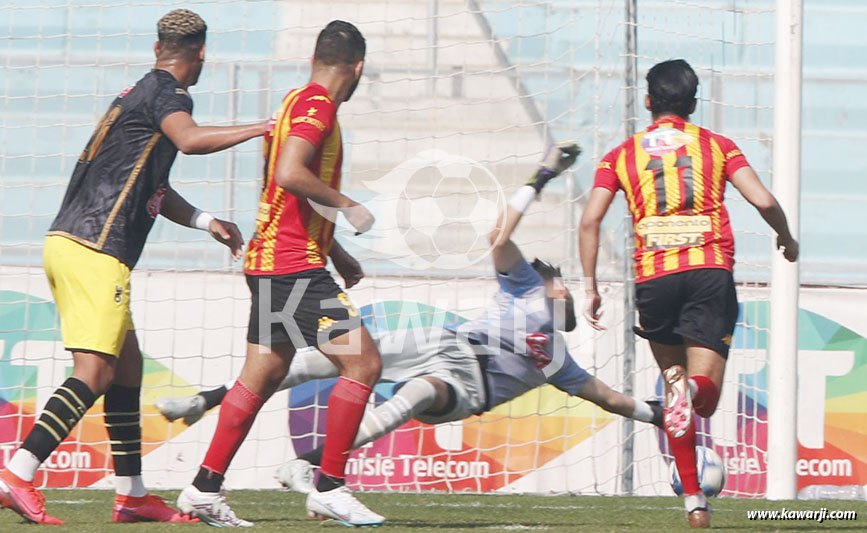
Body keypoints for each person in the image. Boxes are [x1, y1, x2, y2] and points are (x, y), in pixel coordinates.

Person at [158, 141, 664, 501]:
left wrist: (654, 412)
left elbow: (607, 397)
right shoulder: (524, 285)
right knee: (322, 359)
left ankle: (310, 464)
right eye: (559, 282)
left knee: (416, 394)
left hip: (466, 388)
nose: (561, 285)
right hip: (443, 343)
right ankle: (204, 399)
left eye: (565, 289)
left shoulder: (558, 360)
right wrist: (542, 176)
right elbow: (498, 233)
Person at [0, 9, 267, 526]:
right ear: (201, 53)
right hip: (97, 249)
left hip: (70, 242)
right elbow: (190, 139)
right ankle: (17, 474)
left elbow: (151, 187)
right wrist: (263, 127)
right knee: (94, 372)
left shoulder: (135, 94)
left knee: (128, 368)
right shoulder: (170, 96)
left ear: (157, 46)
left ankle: (132, 495)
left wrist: (207, 221)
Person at [175, 20, 383, 528]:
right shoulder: (319, 108)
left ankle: (203, 488)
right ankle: (330, 487)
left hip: (277, 260)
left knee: (260, 376)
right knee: (364, 365)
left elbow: (287, 196)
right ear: (356, 68)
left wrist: (336, 252)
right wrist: (348, 204)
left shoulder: (295, 101)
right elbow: (291, 175)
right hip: (291, 266)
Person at [578, 59, 798, 529]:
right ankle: (689, 400)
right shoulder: (717, 146)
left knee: (672, 383)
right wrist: (786, 237)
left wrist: (592, 285)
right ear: (694, 104)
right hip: (707, 273)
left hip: (654, 279)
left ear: (648, 100)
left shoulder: (620, 155)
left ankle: (694, 501)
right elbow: (762, 199)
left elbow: (590, 220)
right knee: (702, 398)